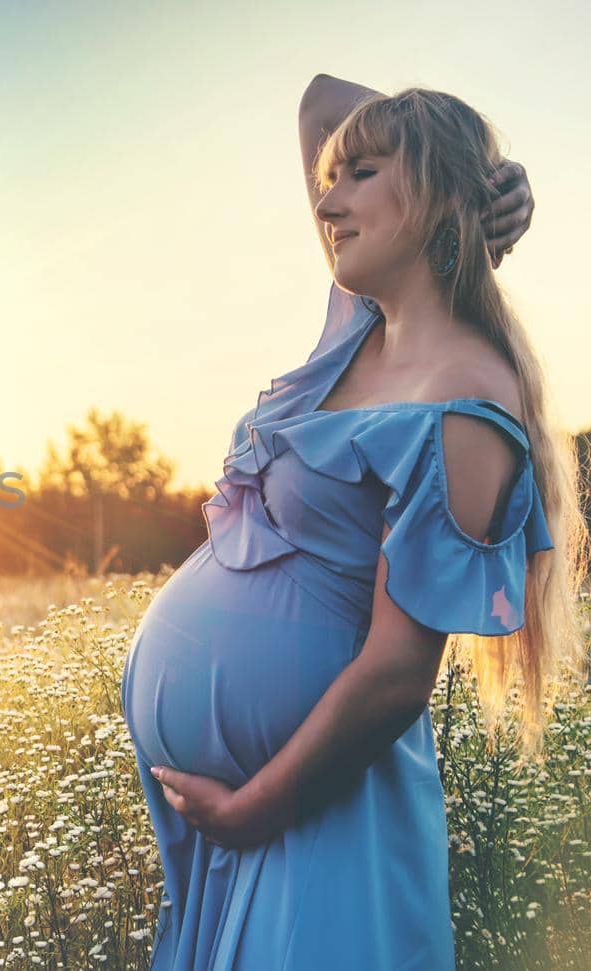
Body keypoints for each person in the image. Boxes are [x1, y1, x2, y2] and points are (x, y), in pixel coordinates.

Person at [118, 74, 588, 969]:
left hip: (315, 813)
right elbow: (320, 100)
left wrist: (250, 810)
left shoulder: (466, 404)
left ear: (433, 192)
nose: (326, 199)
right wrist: (491, 168)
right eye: (330, 179)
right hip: (245, 816)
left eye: (360, 175)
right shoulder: (358, 330)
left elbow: (393, 676)